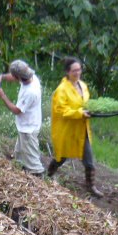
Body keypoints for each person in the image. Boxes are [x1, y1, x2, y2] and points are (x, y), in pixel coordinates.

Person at [47, 57, 102, 196]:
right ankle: (48, 175)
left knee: (89, 159)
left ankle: (90, 186)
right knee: (62, 156)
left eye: (79, 69)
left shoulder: (83, 86)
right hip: (67, 129)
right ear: (67, 72)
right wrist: (79, 113)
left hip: (81, 129)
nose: (78, 72)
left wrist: (91, 109)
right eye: (74, 70)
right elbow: (61, 110)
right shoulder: (62, 90)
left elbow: (85, 103)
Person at [0, 60, 44, 177]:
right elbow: (14, 77)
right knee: (19, 154)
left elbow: (16, 110)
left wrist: (3, 96)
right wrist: (2, 77)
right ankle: (19, 171)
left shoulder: (31, 92)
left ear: (18, 77)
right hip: (26, 125)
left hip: (29, 128)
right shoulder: (31, 77)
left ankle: (39, 177)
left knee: (32, 160)